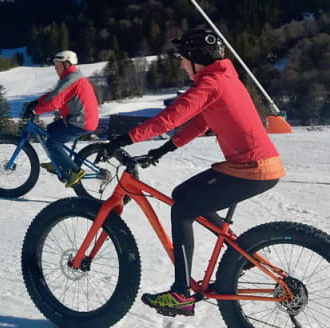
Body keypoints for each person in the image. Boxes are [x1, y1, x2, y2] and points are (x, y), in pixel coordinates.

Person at [104, 27, 286, 317]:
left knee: (183, 210)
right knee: (183, 195)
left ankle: (180, 294)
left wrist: (123, 140)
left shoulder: (211, 83)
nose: (179, 63)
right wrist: (164, 150)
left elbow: (171, 117)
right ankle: (243, 256)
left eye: (182, 57)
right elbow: (200, 122)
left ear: (197, 58)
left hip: (251, 168)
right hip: (256, 165)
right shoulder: (224, 79)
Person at [22, 50, 99, 188]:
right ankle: (59, 161)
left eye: (58, 64)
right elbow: (54, 95)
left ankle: (75, 171)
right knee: (51, 129)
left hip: (81, 122)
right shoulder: (70, 78)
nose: (55, 68)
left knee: (53, 143)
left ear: (67, 64)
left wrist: (35, 110)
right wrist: (36, 102)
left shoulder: (71, 79)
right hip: (78, 119)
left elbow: (54, 102)